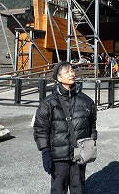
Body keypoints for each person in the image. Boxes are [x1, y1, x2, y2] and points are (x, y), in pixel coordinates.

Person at [33, 61, 97, 194]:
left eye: (72, 71)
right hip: (58, 157)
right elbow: (40, 128)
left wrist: (92, 142)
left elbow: (92, 124)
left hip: (79, 155)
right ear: (58, 78)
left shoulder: (86, 101)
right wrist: (45, 152)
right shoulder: (48, 103)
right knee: (58, 190)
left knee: (78, 189)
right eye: (67, 72)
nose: (71, 74)